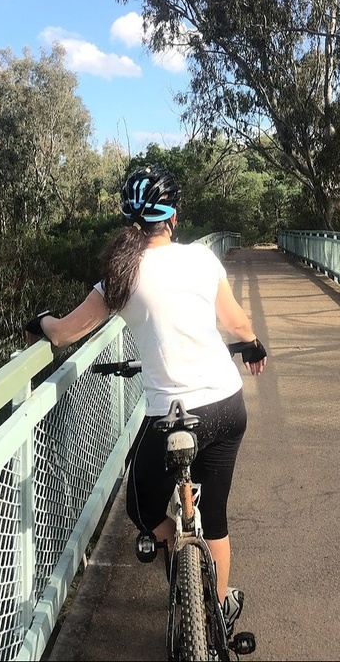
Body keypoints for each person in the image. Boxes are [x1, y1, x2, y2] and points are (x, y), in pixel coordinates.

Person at [22, 165, 266, 633]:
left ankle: (181, 569)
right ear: (173, 215)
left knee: (141, 502)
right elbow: (237, 325)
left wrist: (42, 321)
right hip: (225, 406)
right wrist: (253, 343)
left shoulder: (119, 274)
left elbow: (65, 333)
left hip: (168, 419)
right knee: (213, 514)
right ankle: (216, 610)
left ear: (130, 220)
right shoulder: (200, 259)